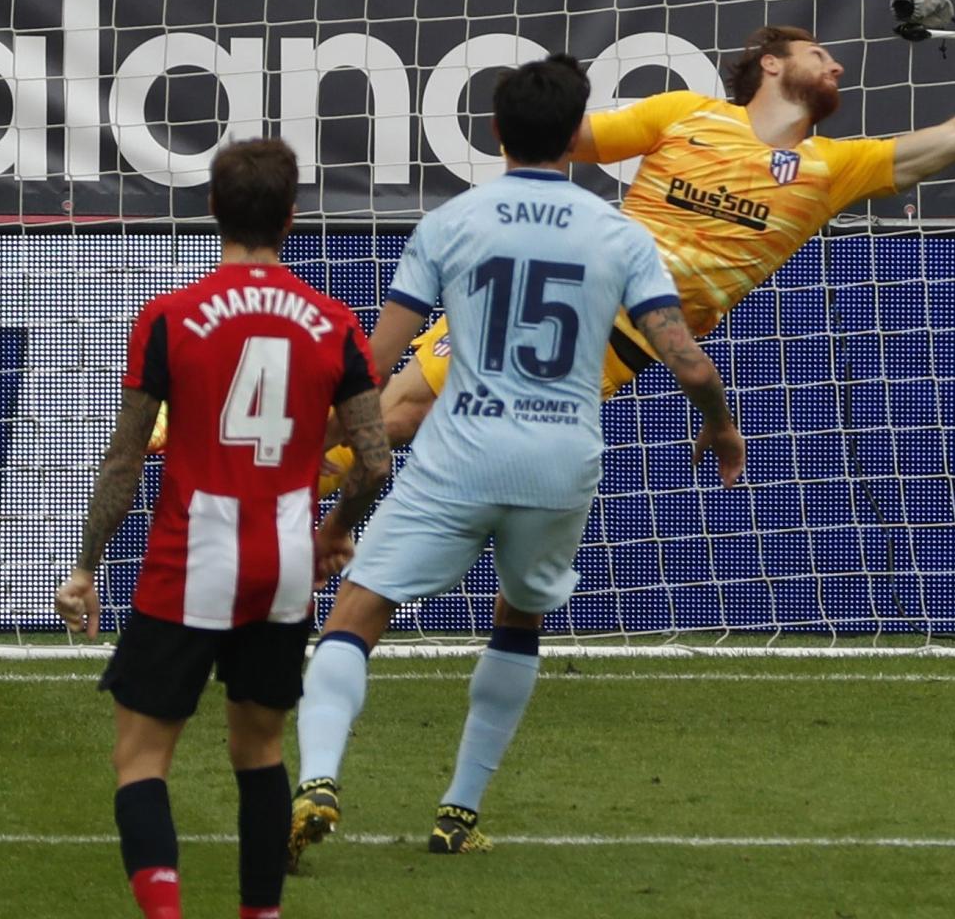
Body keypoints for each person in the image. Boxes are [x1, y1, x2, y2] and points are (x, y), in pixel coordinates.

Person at [314, 17, 955, 492]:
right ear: (768, 64)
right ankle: (238, 472)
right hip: (545, 281)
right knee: (384, 411)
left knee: (403, 423)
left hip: (616, 340)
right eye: (817, 53)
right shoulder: (684, 112)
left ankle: (250, 496)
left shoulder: (837, 168)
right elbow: (554, 139)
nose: (836, 65)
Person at [286, 54, 745, 868]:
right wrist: (719, 427)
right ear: (579, 138)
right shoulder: (620, 235)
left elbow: (373, 363)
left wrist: (336, 499)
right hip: (559, 463)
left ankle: (319, 780)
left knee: (358, 609)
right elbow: (691, 363)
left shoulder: (452, 223)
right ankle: (458, 811)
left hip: (458, 453)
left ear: (494, 132)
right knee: (519, 617)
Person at [54, 138, 393, 919]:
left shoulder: (170, 318)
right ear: (292, 216)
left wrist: (85, 566)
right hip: (281, 559)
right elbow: (373, 462)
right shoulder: (335, 324)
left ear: (212, 208)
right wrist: (335, 530)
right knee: (261, 752)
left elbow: (125, 461)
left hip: (189, 557)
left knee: (141, 758)